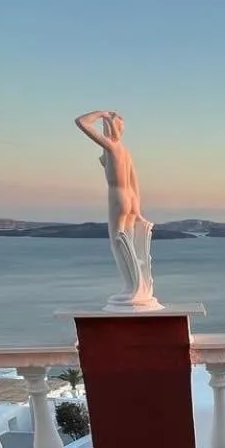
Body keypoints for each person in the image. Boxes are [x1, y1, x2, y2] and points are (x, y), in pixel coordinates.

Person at [74, 110, 156, 307]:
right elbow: (134, 181)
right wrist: (137, 210)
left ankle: (131, 288)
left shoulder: (111, 146)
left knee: (117, 243)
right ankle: (137, 286)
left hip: (118, 198)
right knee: (126, 242)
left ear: (109, 126)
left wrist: (101, 113)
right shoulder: (124, 151)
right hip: (129, 198)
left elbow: (81, 122)